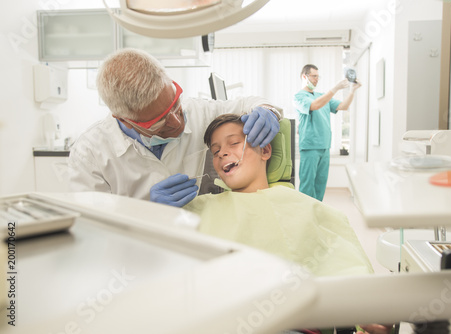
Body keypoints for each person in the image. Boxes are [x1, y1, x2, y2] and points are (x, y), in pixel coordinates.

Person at [184, 114, 392, 334]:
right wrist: (153, 206)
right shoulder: (200, 207)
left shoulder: (307, 207)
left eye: (234, 143)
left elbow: (347, 266)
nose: (223, 153)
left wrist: (367, 316)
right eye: (215, 152)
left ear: (265, 150)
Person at [68, 48, 281, 207]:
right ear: (125, 120)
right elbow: (91, 227)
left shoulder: (196, 111)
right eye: (160, 122)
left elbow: (249, 103)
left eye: (176, 105)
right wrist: (145, 212)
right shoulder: (89, 153)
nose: (178, 122)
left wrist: (267, 110)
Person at [294, 64, 361, 201]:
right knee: (307, 187)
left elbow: (343, 106)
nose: (317, 79)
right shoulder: (299, 97)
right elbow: (314, 105)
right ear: (304, 76)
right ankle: (305, 217)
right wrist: (335, 88)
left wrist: (352, 91)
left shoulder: (322, 96)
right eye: (314, 76)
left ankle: (318, 216)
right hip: (310, 146)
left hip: (324, 146)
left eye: (318, 77)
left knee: (320, 186)